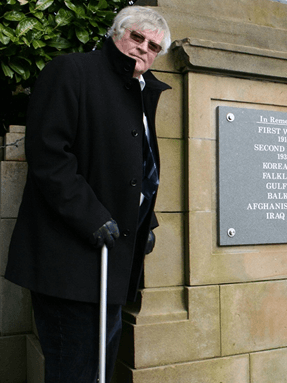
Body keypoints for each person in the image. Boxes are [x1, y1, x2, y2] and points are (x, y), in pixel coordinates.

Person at [4, 6, 171, 382]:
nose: (144, 48)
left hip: (111, 263)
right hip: (70, 263)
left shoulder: (139, 91)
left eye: (153, 46)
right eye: (137, 37)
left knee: (99, 369)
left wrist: (145, 223)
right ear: (116, 34)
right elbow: (49, 156)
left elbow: (136, 171)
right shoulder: (72, 71)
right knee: (75, 371)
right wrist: (92, 217)